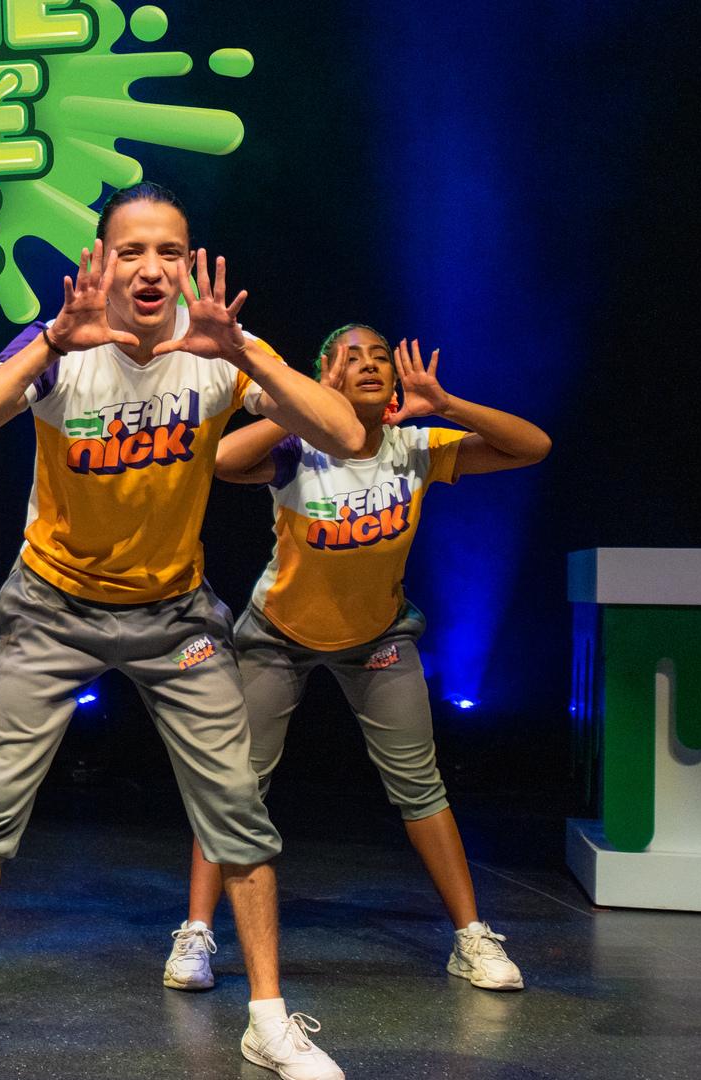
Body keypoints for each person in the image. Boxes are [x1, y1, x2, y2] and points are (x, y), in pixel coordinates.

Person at [0, 183, 365, 1080]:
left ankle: (269, 1021)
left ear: (189, 265)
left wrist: (249, 355)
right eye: (132, 251)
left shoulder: (220, 352)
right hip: (52, 607)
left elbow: (347, 435)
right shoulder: (62, 346)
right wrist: (49, 342)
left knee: (237, 811)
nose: (151, 267)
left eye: (170, 252)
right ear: (102, 261)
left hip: (175, 616)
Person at [166, 326, 550, 995]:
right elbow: (223, 461)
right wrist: (303, 405)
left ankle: (471, 937)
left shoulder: (415, 448)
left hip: (377, 639)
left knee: (420, 786)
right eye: (351, 359)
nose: (370, 365)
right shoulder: (296, 448)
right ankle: (196, 931)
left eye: (380, 358)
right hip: (278, 637)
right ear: (326, 376)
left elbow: (532, 447)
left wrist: (446, 404)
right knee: (234, 787)